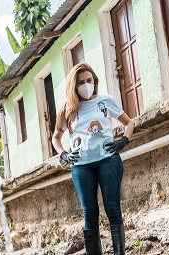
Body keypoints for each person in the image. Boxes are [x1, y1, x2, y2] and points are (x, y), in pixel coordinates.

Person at [52, 63, 135, 255]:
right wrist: (64, 154)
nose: (86, 85)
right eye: (81, 82)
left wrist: (123, 140)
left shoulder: (106, 101)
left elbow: (129, 123)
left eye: (89, 81)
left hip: (108, 161)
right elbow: (56, 137)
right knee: (90, 213)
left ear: (94, 81)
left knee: (112, 208)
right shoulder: (67, 109)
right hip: (81, 167)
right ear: (74, 86)